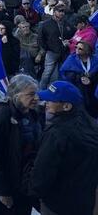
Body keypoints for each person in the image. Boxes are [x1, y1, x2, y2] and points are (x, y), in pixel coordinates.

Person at [31, 80, 98, 215]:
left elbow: (42, 172)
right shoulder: (93, 125)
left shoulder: (56, 133)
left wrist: (33, 191)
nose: (46, 103)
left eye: (51, 100)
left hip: (57, 204)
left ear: (66, 106)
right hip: (86, 203)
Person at [0, 74, 42, 215]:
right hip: (8, 186)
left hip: (25, 182)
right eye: (31, 94)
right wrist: (3, 192)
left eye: (36, 94)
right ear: (16, 95)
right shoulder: (1, 115)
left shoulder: (32, 113)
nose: (36, 98)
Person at [59, 40, 98, 117]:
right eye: (76, 47)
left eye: (80, 48)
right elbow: (65, 72)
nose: (76, 49)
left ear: (87, 51)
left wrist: (91, 78)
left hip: (92, 88)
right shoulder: (71, 58)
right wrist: (80, 77)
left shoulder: (95, 60)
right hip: (78, 87)